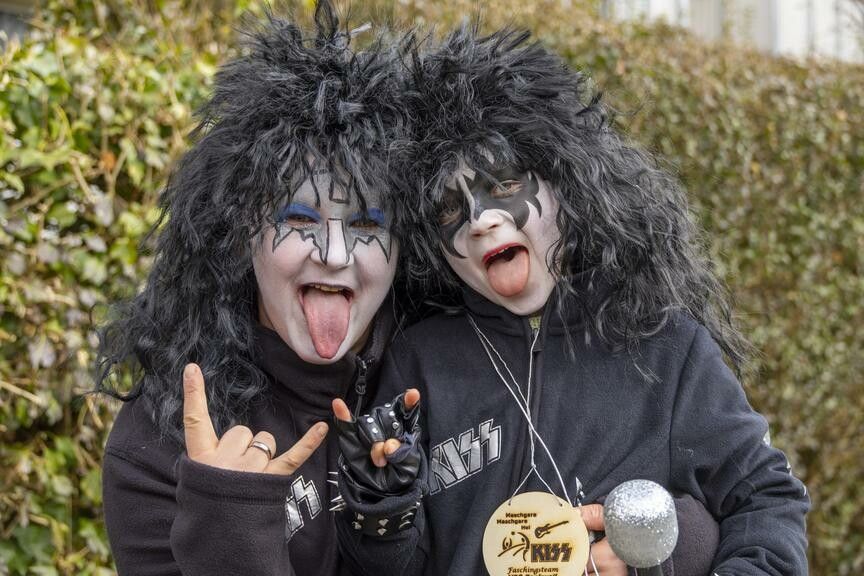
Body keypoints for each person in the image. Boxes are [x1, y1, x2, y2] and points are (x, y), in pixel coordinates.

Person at [332, 25, 809, 576]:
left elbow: (768, 500)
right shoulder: (419, 364)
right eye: (449, 210)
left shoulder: (663, 347)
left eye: (504, 186)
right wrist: (382, 512)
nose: (480, 220)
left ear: (565, 184)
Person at [96, 4, 414, 574]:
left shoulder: (442, 373)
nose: (334, 255)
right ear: (244, 229)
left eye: (368, 225)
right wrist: (230, 534)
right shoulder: (159, 439)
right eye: (300, 218)